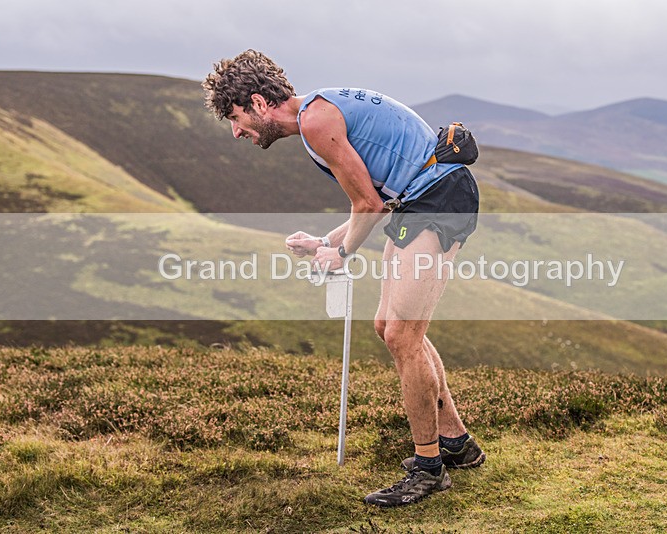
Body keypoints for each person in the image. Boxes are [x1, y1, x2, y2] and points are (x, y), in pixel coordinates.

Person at [203, 49, 485, 508]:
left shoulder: (317, 123)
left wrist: (340, 253)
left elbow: (370, 208)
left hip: (438, 197)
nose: (237, 132)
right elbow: (369, 200)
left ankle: (429, 467)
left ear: (257, 103)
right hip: (423, 197)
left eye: (236, 118)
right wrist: (326, 242)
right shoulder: (318, 113)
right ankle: (455, 440)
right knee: (389, 328)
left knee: (402, 335)